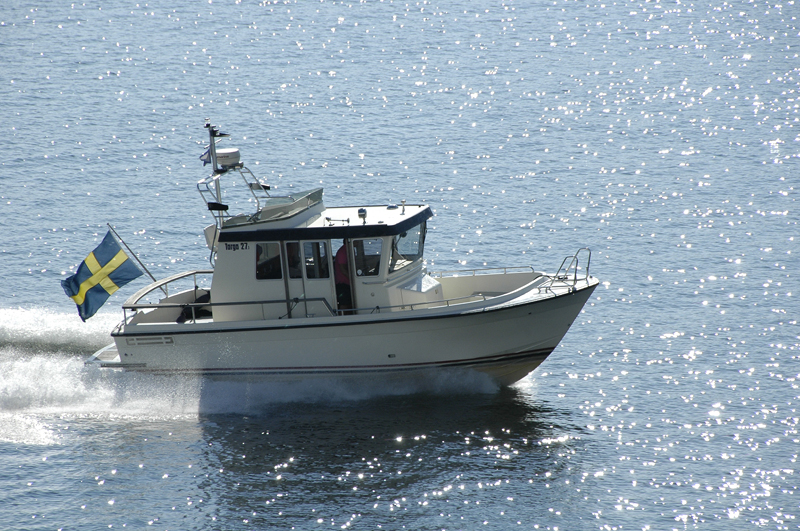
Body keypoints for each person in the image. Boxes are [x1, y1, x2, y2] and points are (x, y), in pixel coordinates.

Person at [334, 242, 352, 312]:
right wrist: (353, 280)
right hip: (342, 283)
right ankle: (344, 318)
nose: (359, 243)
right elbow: (343, 269)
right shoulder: (342, 252)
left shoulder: (349, 250)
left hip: (347, 283)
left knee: (349, 303)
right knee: (344, 304)